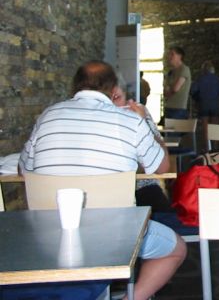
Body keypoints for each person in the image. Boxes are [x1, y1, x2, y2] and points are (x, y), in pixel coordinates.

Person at [19, 60, 187, 300]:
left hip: (49, 236)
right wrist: (148, 125)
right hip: (115, 240)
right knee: (176, 249)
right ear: (114, 89)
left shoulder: (48, 116)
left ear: (75, 87)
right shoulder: (130, 121)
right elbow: (162, 167)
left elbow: (24, 170)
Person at [112, 79, 173, 213]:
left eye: (116, 97)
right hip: (110, 191)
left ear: (128, 100)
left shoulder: (139, 111)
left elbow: (161, 165)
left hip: (142, 186)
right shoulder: (98, 120)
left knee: (165, 216)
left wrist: (143, 122)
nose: (112, 104)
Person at [190, 60, 219, 145]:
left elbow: (193, 91)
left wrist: (197, 99)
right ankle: (215, 144)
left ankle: (207, 146)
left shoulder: (200, 79)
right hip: (215, 103)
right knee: (215, 125)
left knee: (205, 126)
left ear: (203, 69)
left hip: (203, 103)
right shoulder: (217, 79)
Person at [163, 46, 191, 120]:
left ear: (180, 56)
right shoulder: (170, 72)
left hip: (178, 108)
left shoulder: (184, 69)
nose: (169, 57)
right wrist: (169, 89)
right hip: (168, 107)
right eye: (169, 54)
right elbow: (165, 91)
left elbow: (175, 89)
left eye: (172, 54)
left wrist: (169, 89)